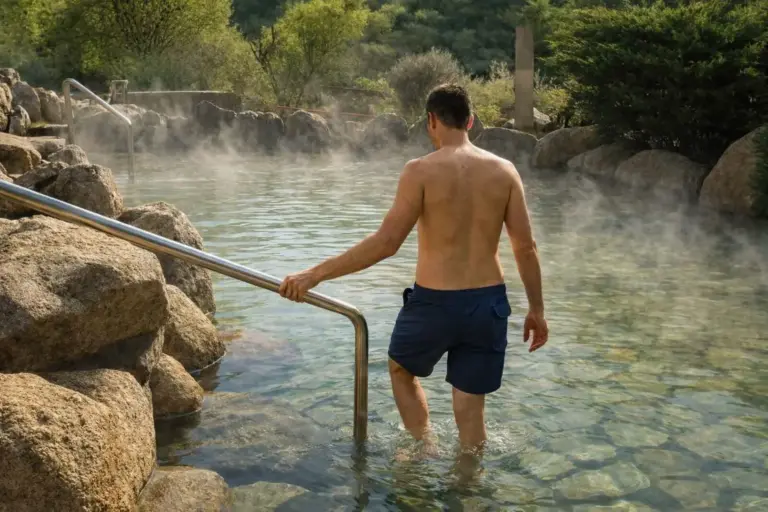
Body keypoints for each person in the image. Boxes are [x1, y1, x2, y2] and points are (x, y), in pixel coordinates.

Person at [279, 84, 548, 453]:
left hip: (434, 303)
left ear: (431, 121)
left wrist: (314, 274)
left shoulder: (420, 171)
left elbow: (386, 243)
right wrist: (537, 309)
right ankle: (468, 490)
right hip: (488, 304)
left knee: (400, 370)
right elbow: (525, 247)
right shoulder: (505, 171)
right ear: (470, 121)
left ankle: (425, 447)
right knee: (470, 408)